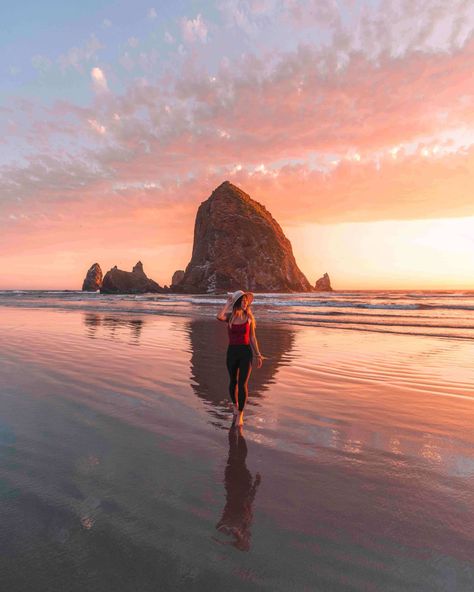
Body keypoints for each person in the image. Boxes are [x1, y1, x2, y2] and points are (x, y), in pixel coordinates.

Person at [216, 290, 263, 426]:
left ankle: (240, 414)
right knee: (233, 382)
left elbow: (253, 337)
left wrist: (258, 354)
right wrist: (227, 303)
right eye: (242, 301)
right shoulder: (230, 317)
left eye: (246, 301)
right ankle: (235, 405)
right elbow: (219, 316)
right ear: (237, 302)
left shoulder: (249, 318)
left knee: (242, 384)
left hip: (245, 352)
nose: (245, 303)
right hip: (232, 352)